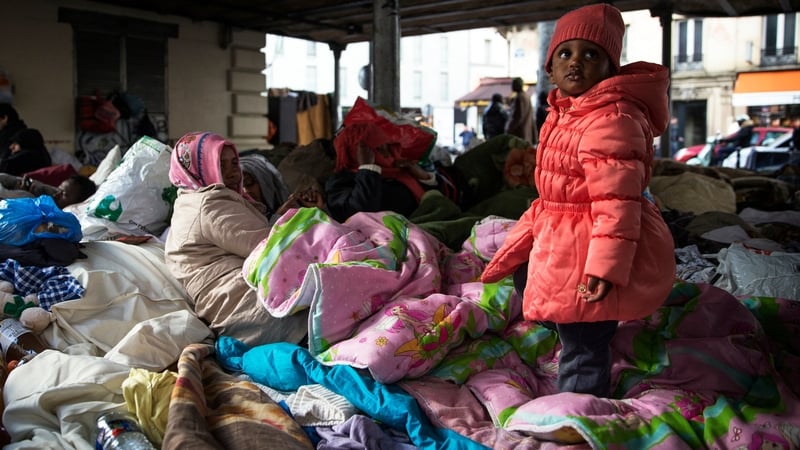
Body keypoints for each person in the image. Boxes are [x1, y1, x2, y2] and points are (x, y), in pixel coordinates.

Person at [481, 3, 676, 398]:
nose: (576, 62)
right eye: (565, 53)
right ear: (549, 68)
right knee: (532, 287)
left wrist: (604, 269)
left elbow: (617, 204)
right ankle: (587, 340)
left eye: (592, 54)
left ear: (611, 69)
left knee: (583, 339)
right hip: (562, 235)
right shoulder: (567, 110)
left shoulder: (612, 118)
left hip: (591, 244)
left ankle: (580, 414)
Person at [164, 131, 308, 346]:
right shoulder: (210, 204)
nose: (232, 173)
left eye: (233, 163)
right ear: (198, 168)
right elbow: (270, 248)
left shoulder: (190, 200)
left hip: (236, 311)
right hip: (255, 312)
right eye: (219, 165)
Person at [324, 122, 436, 223]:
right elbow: (360, 215)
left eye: (386, 147)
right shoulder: (340, 183)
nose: (387, 154)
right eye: (379, 149)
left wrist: (423, 176)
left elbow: (434, 200)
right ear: (358, 154)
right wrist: (367, 168)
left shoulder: (396, 171)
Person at [0, 173, 96, 209]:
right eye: (59, 189)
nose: (56, 194)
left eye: (64, 195)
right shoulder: (50, 192)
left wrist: (20, 193)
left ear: (78, 203)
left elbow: (4, 193)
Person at [238, 152, 290, 219]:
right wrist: (276, 218)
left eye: (249, 183)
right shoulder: (237, 217)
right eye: (239, 187)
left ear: (265, 183)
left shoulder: (287, 209)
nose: (245, 191)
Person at [505, 77, 534, 144]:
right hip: (526, 133)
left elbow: (518, 117)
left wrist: (509, 129)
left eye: (513, 84)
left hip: (520, 134)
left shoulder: (520, 97)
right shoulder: (527, 96)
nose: (512, 87)